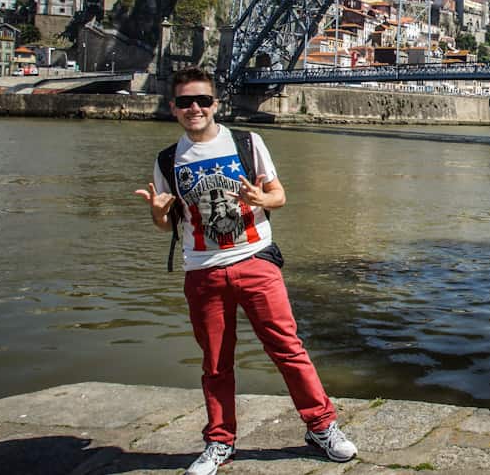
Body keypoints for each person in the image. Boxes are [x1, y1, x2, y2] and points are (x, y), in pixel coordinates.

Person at [135, 66, 356, 475]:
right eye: (185, 102)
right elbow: (167, 225)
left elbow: (279, 196)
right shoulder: (166, 161)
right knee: (215, 363)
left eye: (203, 100)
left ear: (216, 103)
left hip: (255, 261)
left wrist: (262, 198)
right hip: (202, 271)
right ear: (174, 108)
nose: (195, 108)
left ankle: (322, 426)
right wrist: (156, 213)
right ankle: (220, 442)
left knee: (288, 349)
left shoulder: (248, 143)